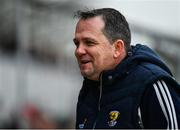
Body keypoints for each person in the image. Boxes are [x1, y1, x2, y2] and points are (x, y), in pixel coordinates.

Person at [73, 8, 180, 129]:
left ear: (117, 48)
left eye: (89, 42)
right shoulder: (89, 89)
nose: (79, 51)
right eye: (77, 43)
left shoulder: (152, 84)